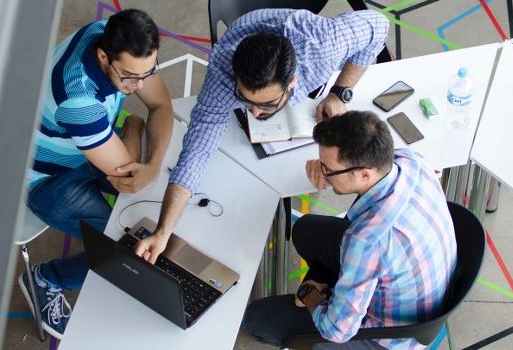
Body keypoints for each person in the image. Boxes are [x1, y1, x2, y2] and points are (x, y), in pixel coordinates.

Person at [134, 9, 390, 265]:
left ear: (293, 82)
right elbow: (196, 152)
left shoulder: (323, 45)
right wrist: (163, 231)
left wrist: (340, 92)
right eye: (246, 100)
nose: (254, 113)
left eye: (266, 104)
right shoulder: (223, 73)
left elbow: (379, 25)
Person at [242, 111, 457, 350]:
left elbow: (337, 330)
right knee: (305, 230)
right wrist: (325, 166)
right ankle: (338, 284)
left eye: (328, 169)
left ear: (364, 173)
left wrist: (310, 294)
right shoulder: (410, 161)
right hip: (419, 284)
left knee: (257, 319)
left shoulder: (366, 240)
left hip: (388, 338)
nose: (322, 173)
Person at [19, 9, 173, 338]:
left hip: (85, 148)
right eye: (130, 77)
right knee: (121, 245)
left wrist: (154, 164)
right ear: (103, 56)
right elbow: (128, 177)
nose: (140, 85)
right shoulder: (79, 100)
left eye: (148, 73)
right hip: (47, 179)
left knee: (152, 199)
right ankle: (47, 279)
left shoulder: (110, 34)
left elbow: (161, 106)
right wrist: (133, 125)